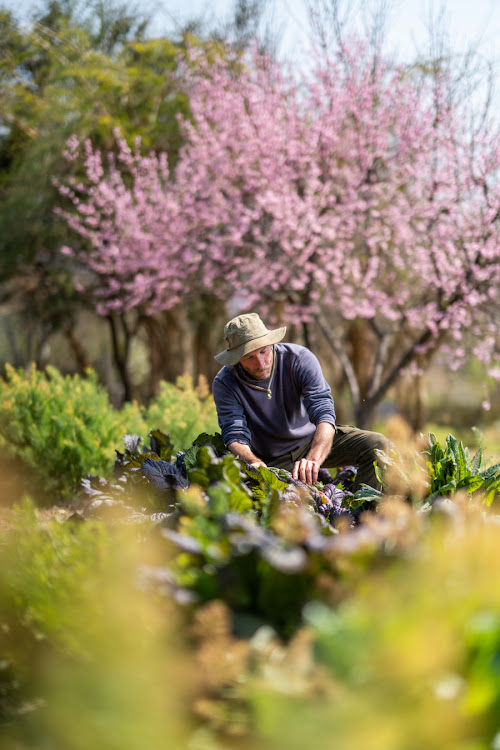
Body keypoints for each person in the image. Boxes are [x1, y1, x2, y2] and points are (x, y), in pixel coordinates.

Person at [212, 312, 390, 492]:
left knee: (377, 445)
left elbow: (324, 414)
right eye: (249, 357)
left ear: (271, 343)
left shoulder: (299, 359)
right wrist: (254, 463)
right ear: (236, 359)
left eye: (263, 351)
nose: (260, 363)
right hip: (270, 460)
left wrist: (313, 459)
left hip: (312, 441)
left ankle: (365, 513)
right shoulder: (225, 383)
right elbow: (234, 435)